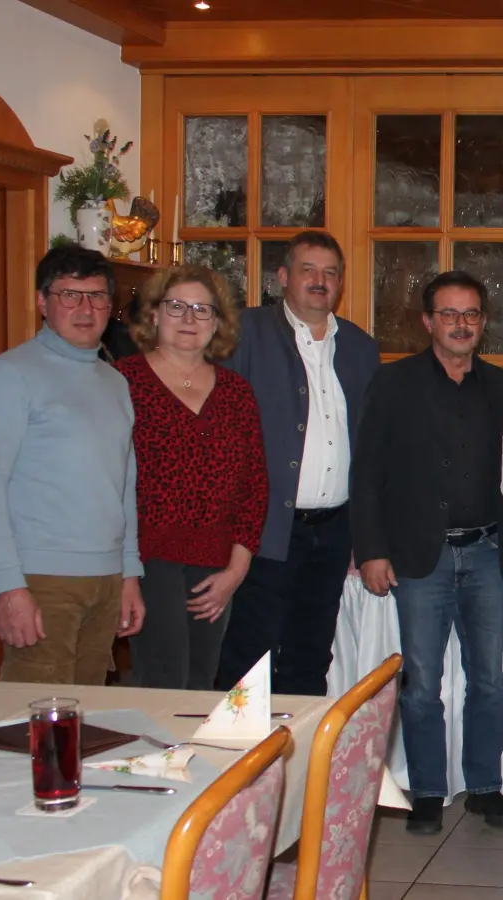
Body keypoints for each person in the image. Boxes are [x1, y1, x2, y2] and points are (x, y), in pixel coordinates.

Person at [352, 270, 503, 835]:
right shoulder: (393, 384)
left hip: (487, 553)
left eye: (471, 314)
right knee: (423, 683)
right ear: (428, 322)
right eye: (448, 314)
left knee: (489, 681)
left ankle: (485, 788)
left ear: (482, 323)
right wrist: (372, 550)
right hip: (418, 558)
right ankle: (426, 789)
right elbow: (367, 472)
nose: (460, 324)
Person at [217, 230, 380, 696]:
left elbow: (369, 447)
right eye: (308, 270)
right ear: (283, 277)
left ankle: (302, 758)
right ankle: (243, 763)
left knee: (310, 654)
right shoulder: (246, 334)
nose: (319, 281)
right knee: (250, 654)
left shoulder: (360, 349)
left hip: (331, 532)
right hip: (265, 528)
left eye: (330, 273)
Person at [0, 247, 144, 684]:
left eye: (96, 297)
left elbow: (123, 484)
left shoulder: (115, 381)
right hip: (42, 581)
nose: (85, 309)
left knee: (86, 726)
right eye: (69, 295)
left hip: (105, 579)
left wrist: (129, 575)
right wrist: (7, 587)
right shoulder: (10, 375)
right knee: (33, 731)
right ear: (42, 302)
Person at [117, 264, 266, 691]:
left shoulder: (237, 392)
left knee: (201, 687)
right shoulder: (123, 382)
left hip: (216, 565)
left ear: (217, 323)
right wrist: (125, 573)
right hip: (148, 562)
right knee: (162, 686)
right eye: (177, 306)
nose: (189, 319)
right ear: (154, 315)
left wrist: (236, 571)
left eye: (203, 310)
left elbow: (255, 485)